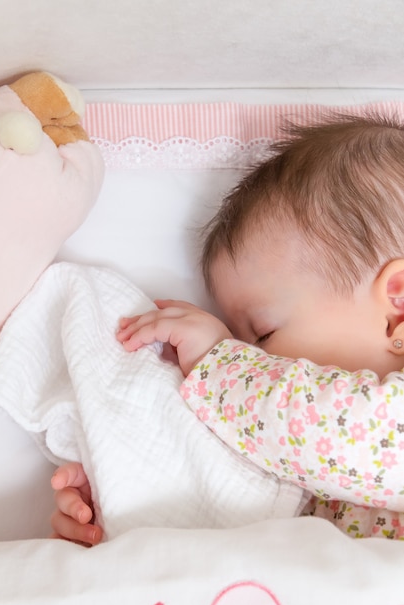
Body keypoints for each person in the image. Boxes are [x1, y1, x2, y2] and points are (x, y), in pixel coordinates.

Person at [52, 113, 404, 545]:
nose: (251, 358)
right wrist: (120, 487)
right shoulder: (302, 465)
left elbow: (324, 427)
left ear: (398, 304)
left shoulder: (358, 428)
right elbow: (228, 517)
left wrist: (216, 362)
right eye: (241, 343)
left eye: (263, 334)